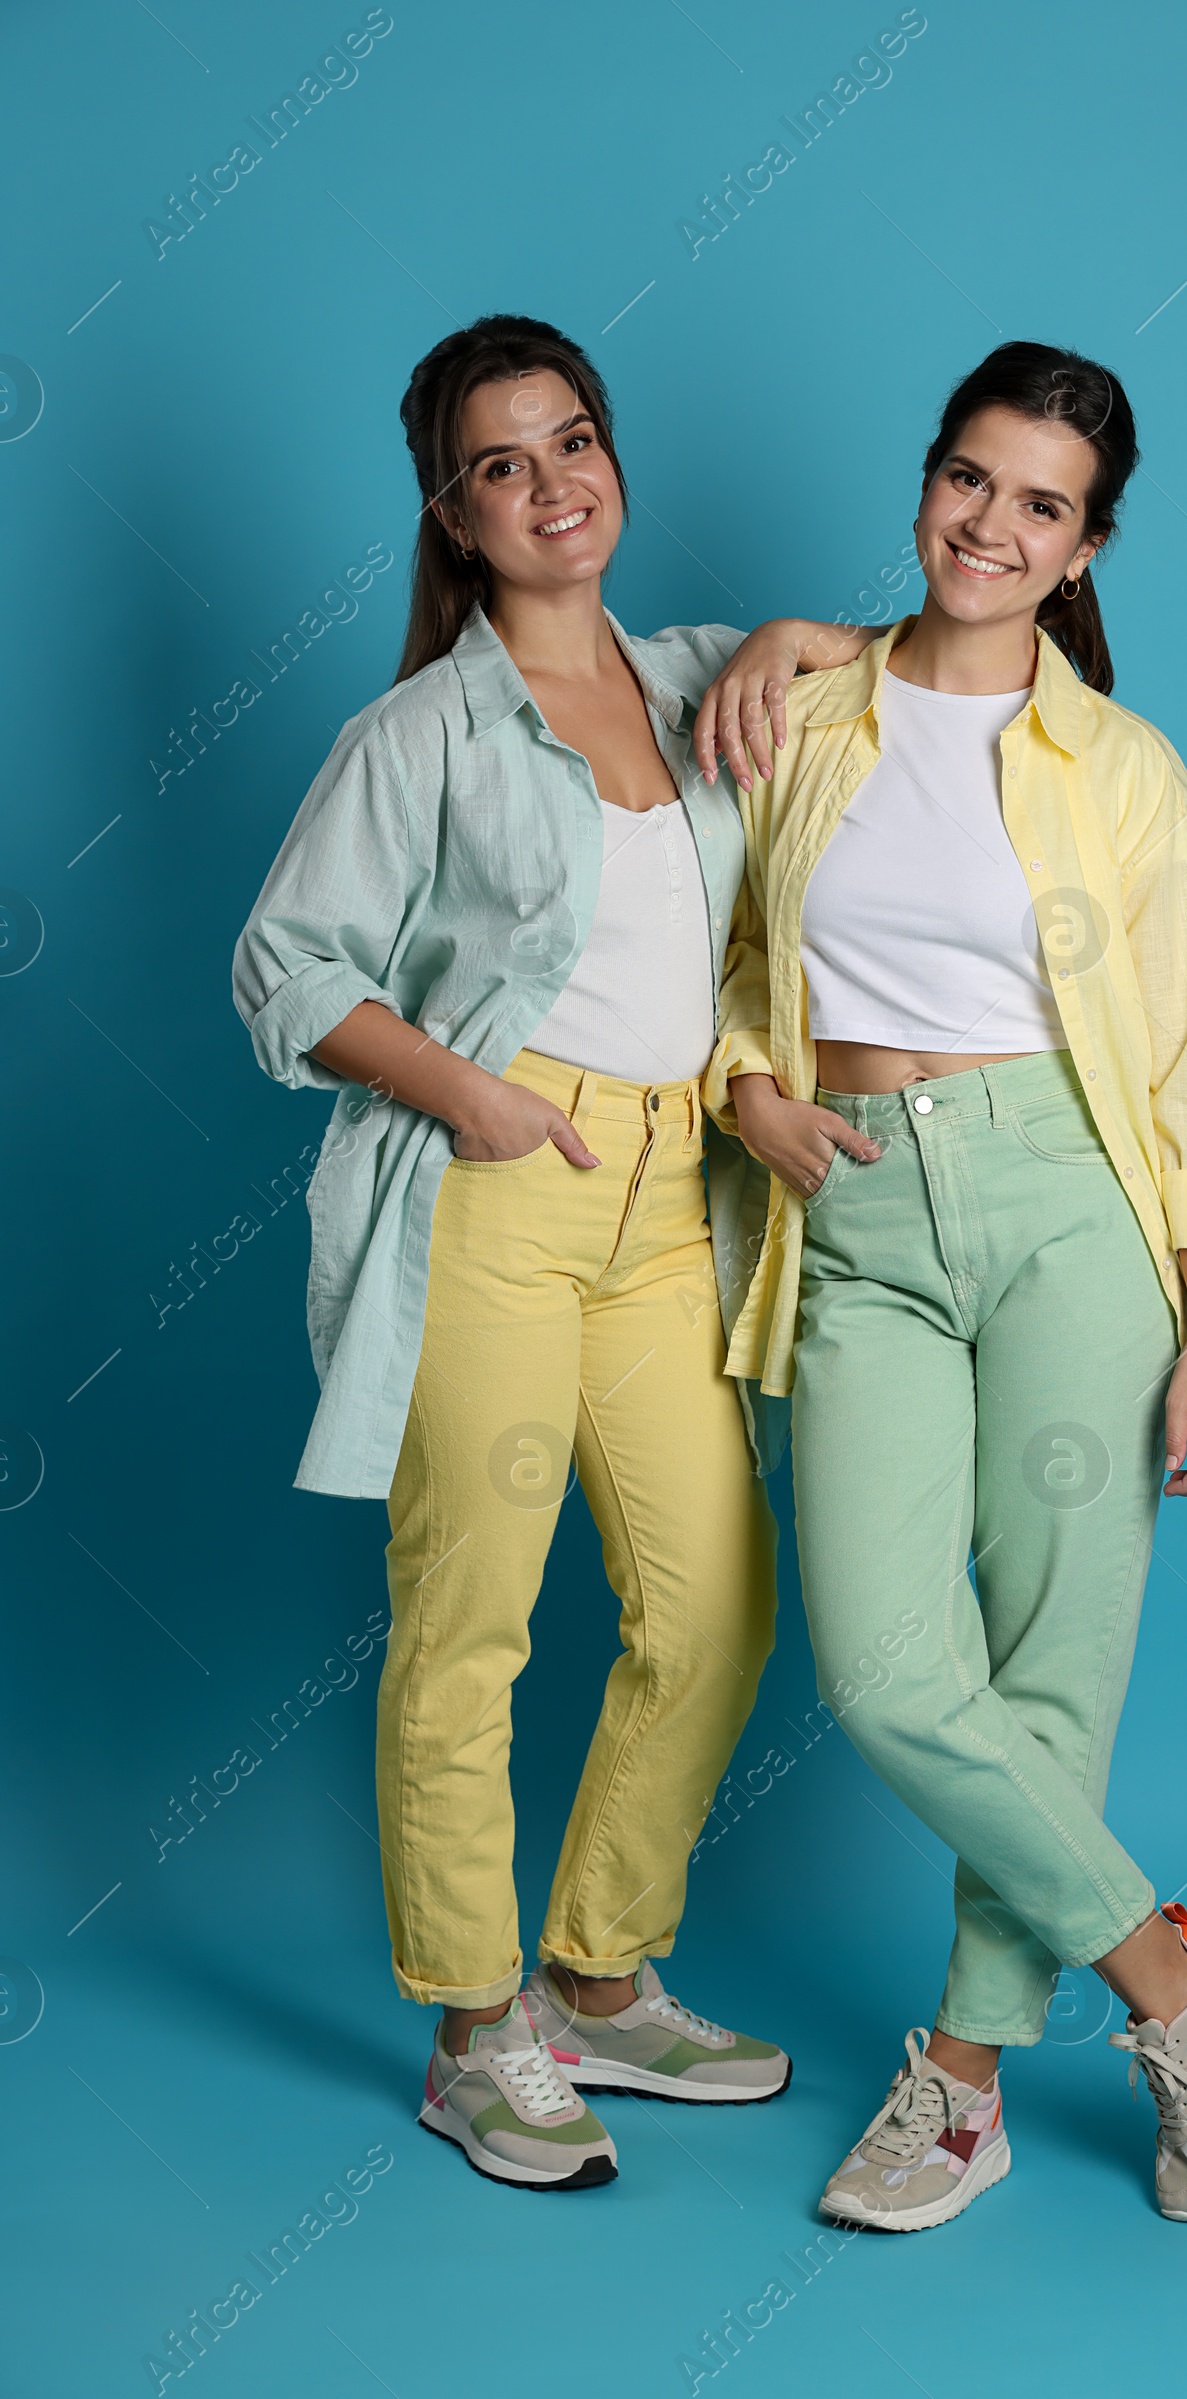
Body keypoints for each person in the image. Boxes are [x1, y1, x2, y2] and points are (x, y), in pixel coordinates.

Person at [233, 313, 870, 2192]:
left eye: (572, 440)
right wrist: (477, 1099)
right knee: (474, 1620)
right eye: (503, 463)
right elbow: (285, 969)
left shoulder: (696, 680)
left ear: (613, 456)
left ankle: (599, 1973)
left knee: (713, 1603)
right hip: (501, 1190)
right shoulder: (420, 729)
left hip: (673, 1198)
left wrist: (771, 642)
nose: (552, 484)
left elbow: (897, 653)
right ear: (454, 510)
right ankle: (468, 2027)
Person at [696, 341, 1187, 2231]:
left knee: (1048, 1670)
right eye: (971, 478)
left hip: (1070, 1214)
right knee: (880, 1664)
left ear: (1088, 543)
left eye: (1043, 504)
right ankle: (1184, 1986)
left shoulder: (1123, 768)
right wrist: (750, 1090)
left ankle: (957, 2088)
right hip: (856, 1211)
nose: (993, 524)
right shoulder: (803, 706)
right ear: (927, 481)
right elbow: (713, 950)